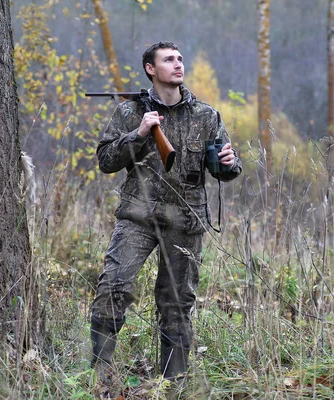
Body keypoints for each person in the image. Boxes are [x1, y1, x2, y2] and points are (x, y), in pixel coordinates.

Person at [90, 41, 242, 389]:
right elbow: (106, 162)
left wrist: (230, 164)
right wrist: (140, 133)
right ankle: (98, 377)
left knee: (177, 304)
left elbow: (224, 168)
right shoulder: (130, 113)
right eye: (168, 60)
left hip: (185, 220)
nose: (177, 65)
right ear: (150, 69)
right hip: (138, 217)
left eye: (180, 59)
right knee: (113, 287)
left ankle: (172, 386)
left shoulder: (206, 115)